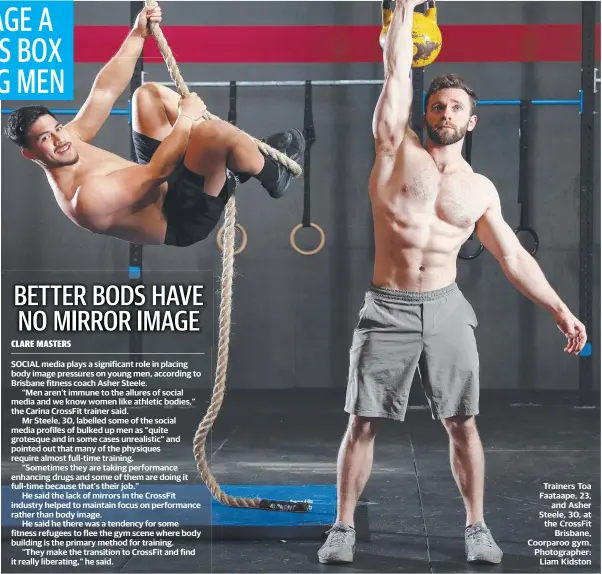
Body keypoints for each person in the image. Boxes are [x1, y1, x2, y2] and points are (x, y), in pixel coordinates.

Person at [317, 0, 588, 566]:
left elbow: (512, 255)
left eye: (455, 106)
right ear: (425, 111)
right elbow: (395, 73)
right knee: (362, 420)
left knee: (462, 422)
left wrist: (560, 308)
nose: (444, 111)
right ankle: (341, 527)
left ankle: (477, 528)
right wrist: (405, 11)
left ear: (472, 120)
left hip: (445, 308)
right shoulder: (393, 150)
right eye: (437, 104)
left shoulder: (480, 189)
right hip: (387, 307)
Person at [3, 4, 304, 248]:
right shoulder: (84, 199)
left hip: (157, 178)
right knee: (215, 134)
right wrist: (186, 117)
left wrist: (137, 34)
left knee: (147, 95)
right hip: (179, 215)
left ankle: (227, 162)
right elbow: (155, 172)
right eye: (45, 138)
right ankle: (272, 173)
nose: (60, 139)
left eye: (56, 127)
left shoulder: (69, 139)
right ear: (30, 153)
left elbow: (105, 90)